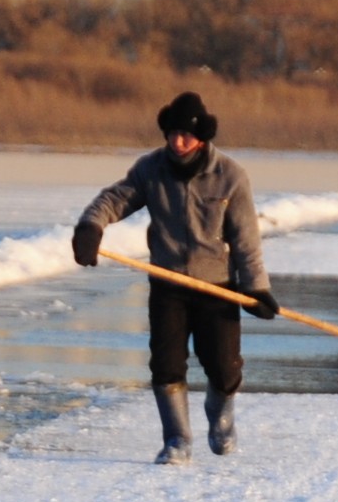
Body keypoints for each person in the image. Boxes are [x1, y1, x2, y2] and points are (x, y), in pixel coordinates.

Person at [72, 92, 276, 465]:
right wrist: (90, 226)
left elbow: (246, 239)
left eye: (186, 135)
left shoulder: (230, 176)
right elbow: (115, 199)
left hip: (216, 287)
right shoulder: (151, 169)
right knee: (166, 365)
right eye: (172, 134)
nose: (178, 143)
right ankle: (177, 441)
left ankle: (221, 418)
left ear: (202, 137)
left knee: (224, 368)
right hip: (168, 285)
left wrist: (256, 287)